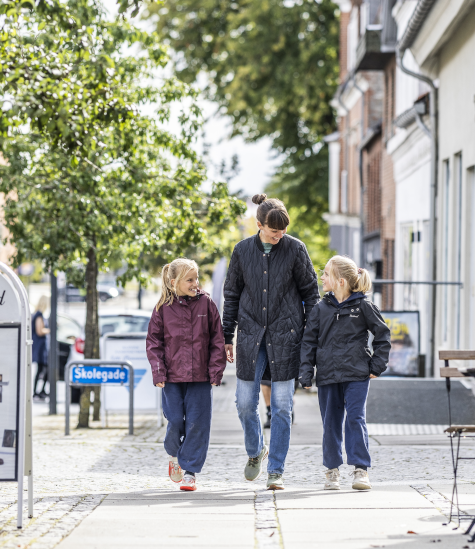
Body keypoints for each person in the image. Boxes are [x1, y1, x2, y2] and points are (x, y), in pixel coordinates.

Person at [223, 194, 320, 490]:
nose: (279, 236)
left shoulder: (295, 250)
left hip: (286, 337)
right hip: (251, 338)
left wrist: (309, 337)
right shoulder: (241, 251)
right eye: (273, 231)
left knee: (281, 406)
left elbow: (311, 295)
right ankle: (256, 452)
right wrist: (227, 335)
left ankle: (276, 469)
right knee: (243, 403)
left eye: (283, 231)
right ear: (259, 224)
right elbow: (231, 296)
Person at [299, 255, 391, 491]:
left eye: (326, 274)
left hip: (357, 375)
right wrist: (306, 373)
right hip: (328, 376)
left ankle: (361, 469)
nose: (322, 277)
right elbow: (308, 342)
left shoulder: (364, 307)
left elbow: (383, 336)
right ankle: (332, 471)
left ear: (340, 281)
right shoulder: (320, 309)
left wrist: (376, 366)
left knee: (355, 419)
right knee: (330, 423)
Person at [146, 258, 227, 492]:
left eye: (197, 278)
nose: (196, 284)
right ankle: (173, 452)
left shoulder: (207, 304)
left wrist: (215, 370)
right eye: (189, 280)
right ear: (174, 282)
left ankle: (190, 472)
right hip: (172, 377)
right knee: (174, 420)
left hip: (200, 377)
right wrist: (158, 371)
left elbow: (216, 340)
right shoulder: (162, 308)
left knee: (198, 423)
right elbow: (154, 342)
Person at [31, 295, 50, 400]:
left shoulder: (39, 314)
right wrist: (49, 330)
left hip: (41, 346)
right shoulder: (39, 315)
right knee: (41, 369)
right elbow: (39, 331)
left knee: (44, 369)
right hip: (40, 347)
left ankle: (41, 390)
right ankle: (35, 392)